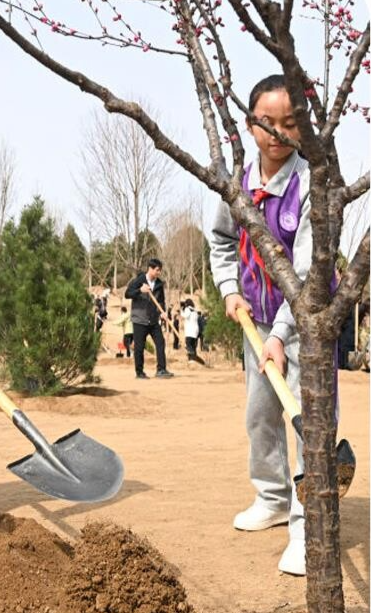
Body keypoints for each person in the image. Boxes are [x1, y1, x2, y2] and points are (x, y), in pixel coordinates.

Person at [209, 74, 317, 576]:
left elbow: (307, 270)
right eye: (266, 123)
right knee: (260, 414)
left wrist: (280, 335)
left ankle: (304, 525)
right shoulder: (239, 183)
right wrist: (231, 290)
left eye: (289, 123)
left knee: (305, 420)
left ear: (303, 127)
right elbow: (221, 242)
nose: (277, 133)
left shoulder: (310, 184)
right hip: (254, 321)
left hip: (304, 324)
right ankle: (272, 498)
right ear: (250, 124)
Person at [124, 259, 174, 379]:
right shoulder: (139, 280)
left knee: (160, 343)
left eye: (160, 270)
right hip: (139, 319)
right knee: (139, 347)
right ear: (150, 269)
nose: (159, 272)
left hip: (153, 320)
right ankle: (139, 372)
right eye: (157, 270)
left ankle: (161, 369)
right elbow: (127, 294)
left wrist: (163, 312)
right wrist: (139, 290)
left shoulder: (159, 284)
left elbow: (161, 301)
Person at [180, 299, 205, 365]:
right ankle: (193, 359)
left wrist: (181, 311)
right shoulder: (195, 310)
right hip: (195, 331)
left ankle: (192, 357)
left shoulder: (188, 309)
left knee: (189, 345)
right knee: (193, 346)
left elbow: (185, 316)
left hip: (189, 331)